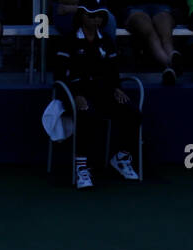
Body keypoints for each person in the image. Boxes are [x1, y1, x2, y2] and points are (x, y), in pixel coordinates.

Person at [52, 5, 142, 188]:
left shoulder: (106, 41)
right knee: (86, 114)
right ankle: (81, 167)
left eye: (99, 16)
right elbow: (60, 75)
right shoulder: (68, 41)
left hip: (103, 94)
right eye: (91, 15)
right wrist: (75, 95)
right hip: (75, 95)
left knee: (133, 112)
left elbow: (113, 71)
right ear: (81, 16)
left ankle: (121, 158)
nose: (96, 20)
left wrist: (117, 88)